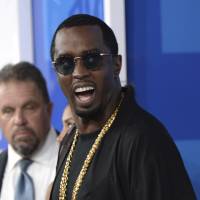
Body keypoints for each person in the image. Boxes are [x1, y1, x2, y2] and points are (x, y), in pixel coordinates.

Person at [49, 14, 196, 200]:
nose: (79, 73)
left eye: (92, 59)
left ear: (116, 64)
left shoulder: (143, 139)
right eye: (66, 63)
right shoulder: (70, 139)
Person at [0, 62, 59, 200]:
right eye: (8, 111)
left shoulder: (77, 162)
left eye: (29, 107)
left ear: (49, 110)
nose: (19, 120)